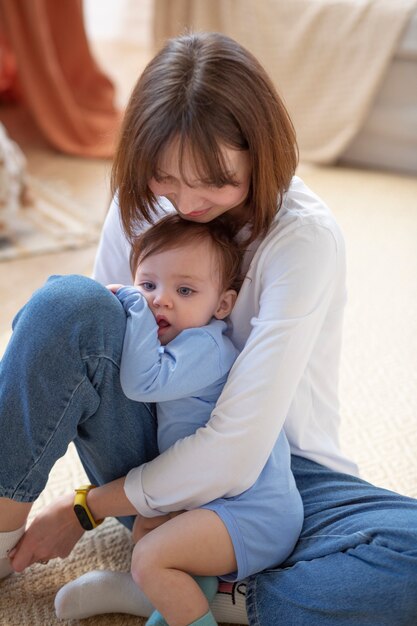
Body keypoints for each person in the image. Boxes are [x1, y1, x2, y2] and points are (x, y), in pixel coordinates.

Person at [1, 31, 417, 626]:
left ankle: (202, 593)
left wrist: (85, 508)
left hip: (284, 476)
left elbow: (238, 454)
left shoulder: (303, 240)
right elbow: (98, 341)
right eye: (165, 178)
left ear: (260, 151)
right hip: (153, 444)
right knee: (66, 303)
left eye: (215, 180)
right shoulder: (142, 202)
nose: (187, 201)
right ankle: (3, 532)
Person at [101, 213, 302, 626]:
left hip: (253, 513)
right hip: (214, 501)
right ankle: (175, 600)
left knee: (150, 557)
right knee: (148, 529)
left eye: (185, 289)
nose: (160, 299)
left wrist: (132, 304)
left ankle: (174, 598)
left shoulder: (206, 346)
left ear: (222, 305)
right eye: (148, 284)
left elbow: (141, 383)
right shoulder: (180, 341)